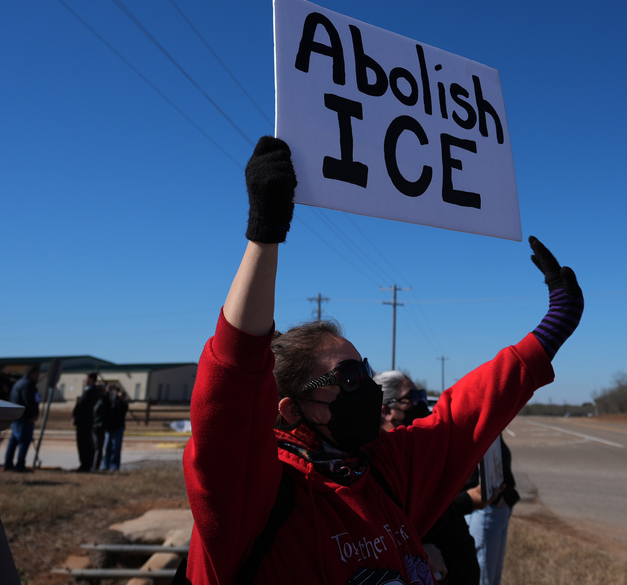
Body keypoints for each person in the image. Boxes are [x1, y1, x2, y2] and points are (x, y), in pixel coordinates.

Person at [180, 136, 583, 584]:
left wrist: (553, 328)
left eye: (366, 371)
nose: (369, 388)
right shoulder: (256, 495)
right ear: (292, 408)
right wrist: (264, 234)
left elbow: (462, 414)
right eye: (349, 377)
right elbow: (232, 388)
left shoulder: (382, 470)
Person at [376, 370, 481, 585]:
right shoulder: (378, 465)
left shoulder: (421, 453)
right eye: (412, 399)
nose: (421, 404)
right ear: (386, 411)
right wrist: (419, 550)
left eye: (422, 396)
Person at [465, 436, 519, 585]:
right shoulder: (476, 430)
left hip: (494, 508)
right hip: (484, 510)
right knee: (484, 578)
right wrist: (492, 498)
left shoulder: (492, 431)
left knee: (491, 577)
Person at [3, 365, 41, 472]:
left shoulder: (20, 383)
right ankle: (20, 465)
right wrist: (32, 415)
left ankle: (8, 464)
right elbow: (28, 401)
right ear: (31, 373)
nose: (38, 376)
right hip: (24, 418)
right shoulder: (27, 384)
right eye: (37, 374)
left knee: (14, 441)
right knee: (24, 441)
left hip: (17, 417)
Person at [72, 372, 103, 472]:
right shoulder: (89, 390)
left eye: (87, 379)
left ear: (92, 380)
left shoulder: (92, 391)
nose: (85, 381)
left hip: (85, 421)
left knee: (84, 443)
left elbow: (83, 404)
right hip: (84, 421)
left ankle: (85, 465)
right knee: (84, 444)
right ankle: (85, 464)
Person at [97, 385, 129, 471]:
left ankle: (114, 466)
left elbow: (118, 406)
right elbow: (105, 403)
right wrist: (107, 393)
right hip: (109, 428)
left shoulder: (123, 404)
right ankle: (105, 465)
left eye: (121, 395)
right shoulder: (110, 401)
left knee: (116, 448)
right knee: (107, 447)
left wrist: (117, 397)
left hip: (118, 428)